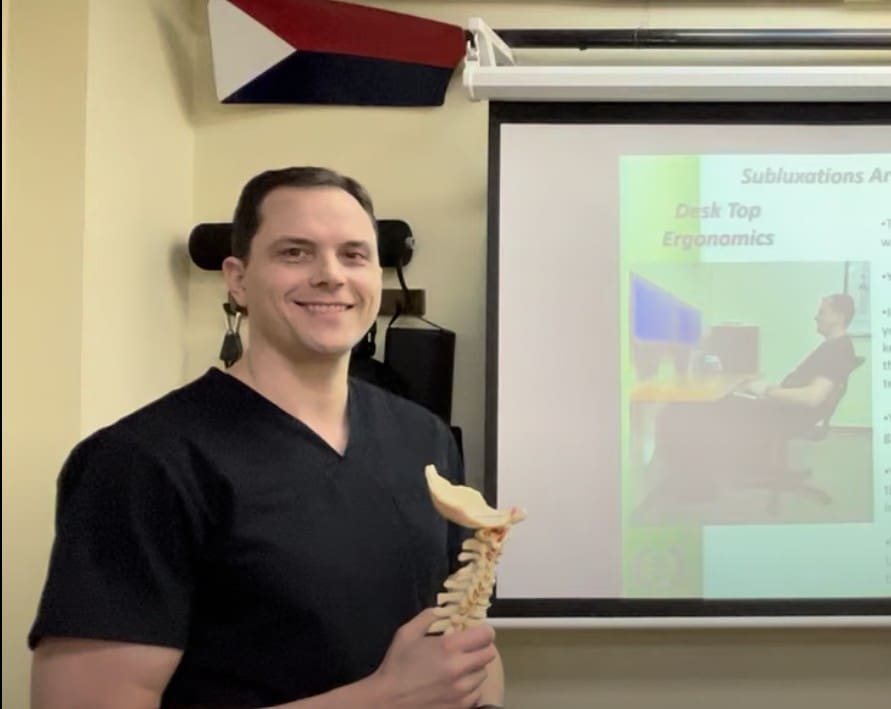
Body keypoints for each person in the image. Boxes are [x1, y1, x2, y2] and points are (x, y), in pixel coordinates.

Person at [29, 167, 504, 709]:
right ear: (237, 279)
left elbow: (460, 644)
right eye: (295, 253)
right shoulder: (141, 463)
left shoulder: (423, 437)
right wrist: (384, 697)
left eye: (353, 254)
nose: (331, 275)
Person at [650, 293, 860, 488]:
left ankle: (697, 482)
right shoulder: (838, 346)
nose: (816, 317)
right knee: (726, 400)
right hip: (787, 410)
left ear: (839, 317)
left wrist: (766, 390)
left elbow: (813, 397)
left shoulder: (835, 350)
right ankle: (708, 471)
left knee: (714, 406)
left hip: (787, 414)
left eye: (822, 312)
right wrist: (762, 389)